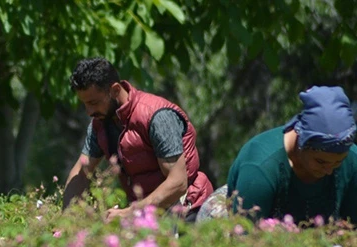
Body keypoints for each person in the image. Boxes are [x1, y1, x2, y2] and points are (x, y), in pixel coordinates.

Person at [63, 57, 213, 222]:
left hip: (189, 211)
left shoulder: (157, 116)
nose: (89, 111)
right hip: (146, 215)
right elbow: (80, 174)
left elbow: (178, 183)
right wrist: (65, 223)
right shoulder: (99, 124)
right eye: (85, 104)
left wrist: (128, 213)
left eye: (94, 102)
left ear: (115, 90)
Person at [199, 86, 357, 224]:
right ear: (300, 142)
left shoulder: (353, 162)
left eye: (337, 163)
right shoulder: (260, 169)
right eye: (321, 161)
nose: (329, 171)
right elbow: (244, 242)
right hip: (236, 213)